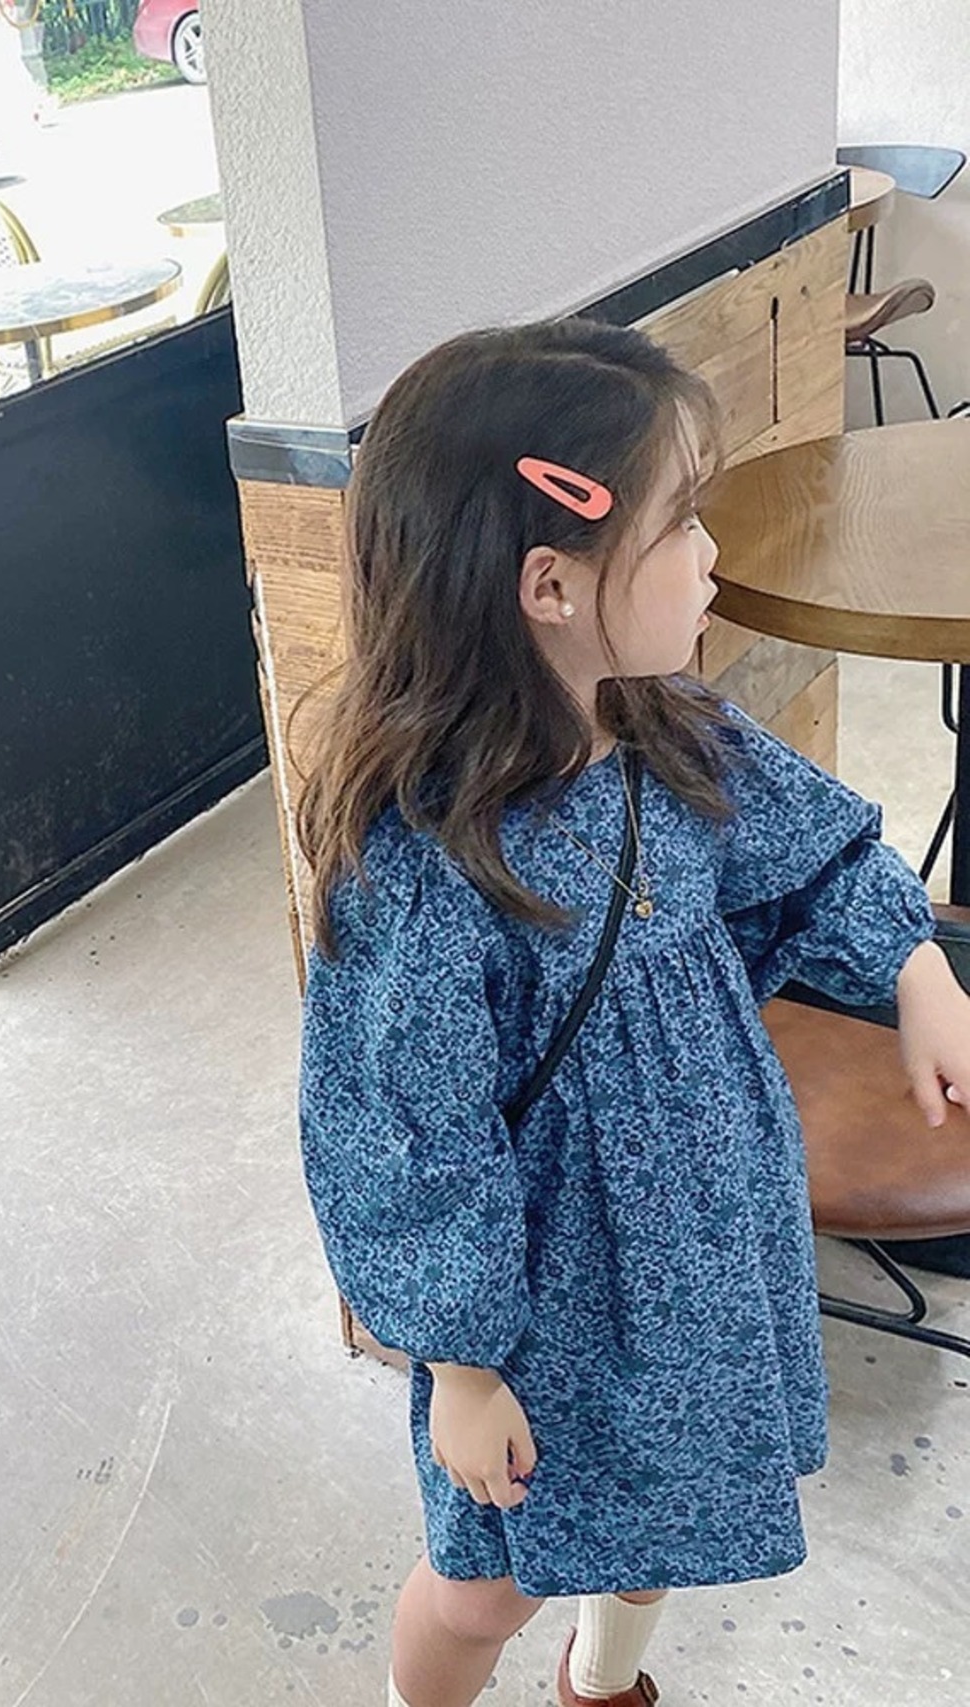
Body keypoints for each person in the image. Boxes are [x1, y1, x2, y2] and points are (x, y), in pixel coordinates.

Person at [295, 317, 970, 1707]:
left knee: (665, 1520)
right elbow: (402, 1141)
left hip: (706, 1251)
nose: (713, 556)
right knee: (485, 1585)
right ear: (550, 582)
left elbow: (814, 854)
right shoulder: (427, 867)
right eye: (682, 526)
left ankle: (601, 1685)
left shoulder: (673, 729)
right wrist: (461, 1364)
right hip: (546, 1305)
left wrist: (917, 973)